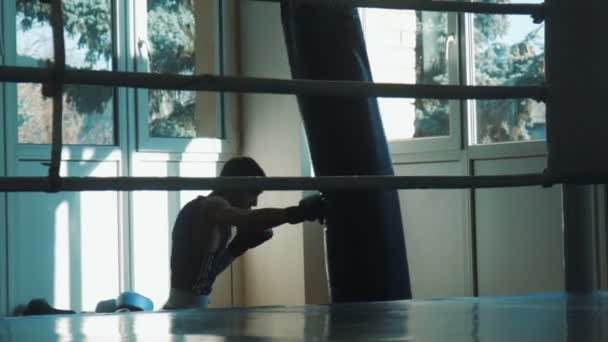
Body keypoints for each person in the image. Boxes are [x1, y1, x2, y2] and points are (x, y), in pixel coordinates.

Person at [163, 156, 325, 310]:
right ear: (235, 185)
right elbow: (250, 219)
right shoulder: (210, 206)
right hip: (184, 310)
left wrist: (237, 247)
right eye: (253, 193)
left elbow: (206, 274)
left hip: (191, 309)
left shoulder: (216, 218)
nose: (254, 202)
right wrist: (299, 213)